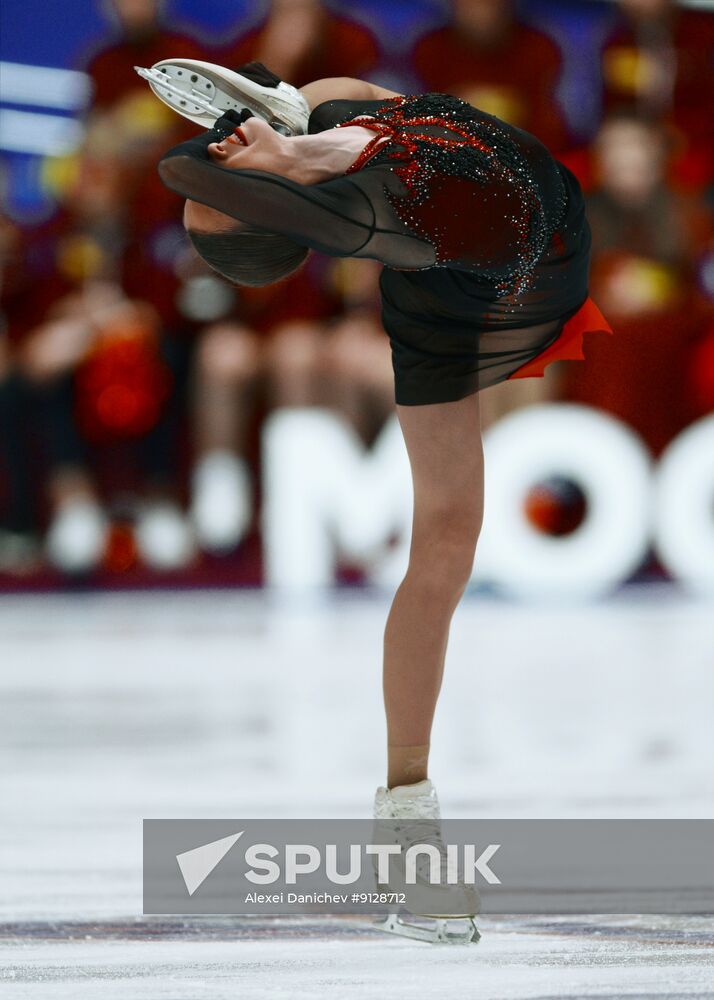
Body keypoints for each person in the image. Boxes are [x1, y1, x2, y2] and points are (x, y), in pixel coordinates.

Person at [139, 60, 612, 943]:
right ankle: (408, 812)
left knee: (329, 105)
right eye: (229, 187)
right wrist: (279, 152)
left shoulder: (331, 115)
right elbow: (207, 172)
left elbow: (301, 115)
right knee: (443, 543)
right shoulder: (371, 209)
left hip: (427, 191)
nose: (224, 156)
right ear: (273, 214)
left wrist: (278, 124)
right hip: (502, 249)